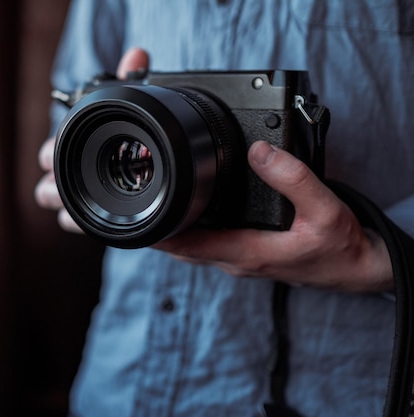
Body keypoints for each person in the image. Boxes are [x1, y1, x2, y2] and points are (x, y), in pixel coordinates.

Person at [35, 1, 414, 416]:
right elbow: (75, 107)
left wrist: (378, 258)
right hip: (127, 377)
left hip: (348, 384)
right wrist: (79, 171)